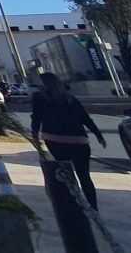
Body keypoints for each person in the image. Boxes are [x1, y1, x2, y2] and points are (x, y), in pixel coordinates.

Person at [30, 72, 106, 210]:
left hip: (55, 140)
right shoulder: (70, 97)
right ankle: (93, 207)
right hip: (79, 140)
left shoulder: (39, 97)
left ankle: (75, 205)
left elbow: (36, 117)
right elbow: (85, 117)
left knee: (67, 174)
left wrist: (34, 135)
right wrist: (98, 134)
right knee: (85, 176)